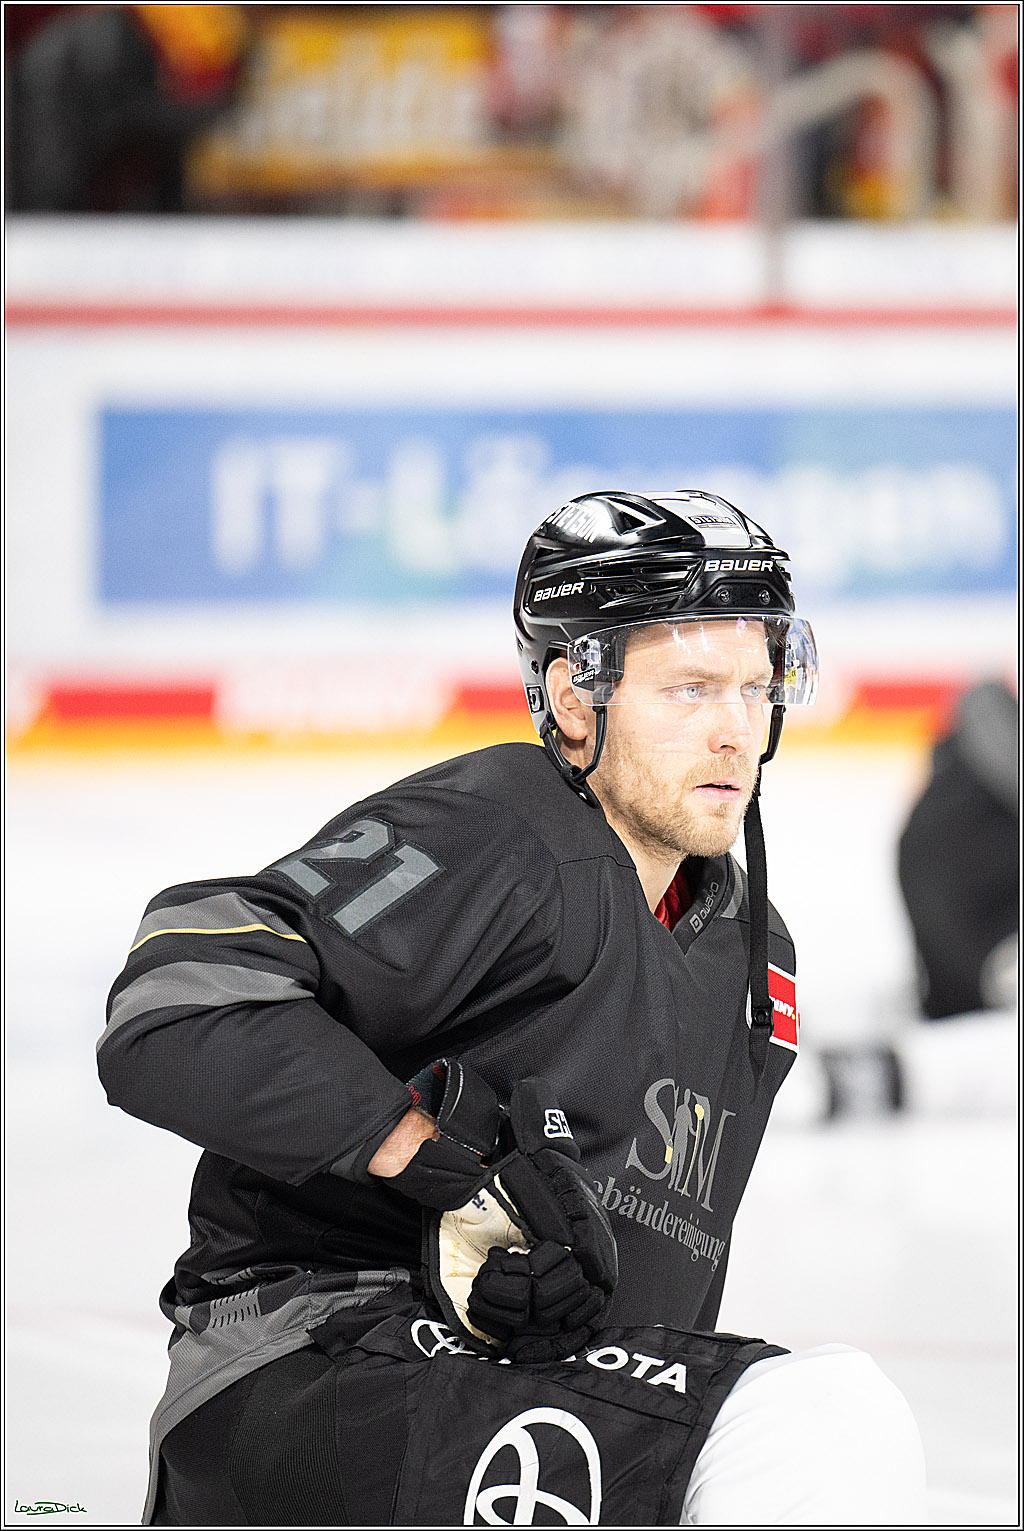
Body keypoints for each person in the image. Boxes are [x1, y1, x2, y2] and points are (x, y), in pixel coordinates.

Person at [99, 490, 926, 1526]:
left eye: (757, 686)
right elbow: (174, 1000)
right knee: (818, 1420)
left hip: (505, 1401)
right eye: (689, 689)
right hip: (306, 1371)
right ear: (576, 697)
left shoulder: (758, 962)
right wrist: (427, 1160)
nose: (735, 730)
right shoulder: (504, 832)